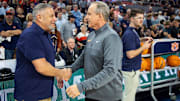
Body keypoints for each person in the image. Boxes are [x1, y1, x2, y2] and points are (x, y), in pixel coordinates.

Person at [66, 1, 123, 101]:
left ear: (99, 16)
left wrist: (81, 87)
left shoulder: (111, 37)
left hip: (108, 98)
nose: (86, 17)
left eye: (89, 14)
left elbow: (110, 71)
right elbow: (84, 57)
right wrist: (69, 71)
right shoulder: (92, 35)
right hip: (91, 95)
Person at [14, 3, 71, 101]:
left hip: (43, 94)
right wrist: (60, 73)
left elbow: (47, 61)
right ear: (39, 17)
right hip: (30, 96)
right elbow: (41, 67)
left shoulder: (46, 35)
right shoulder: (31, 35)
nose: (55, 19)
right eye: (51, 16)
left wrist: (55, 73)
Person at [121, 9, 152, 101]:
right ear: (131, 19)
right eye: (139, 18)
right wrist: (144, 47)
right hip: (131, 70)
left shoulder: (132, 31)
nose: (141, 20)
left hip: (132, 69)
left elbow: (132, 43)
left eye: (142, 18)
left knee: (129, 95)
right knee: (128, 97)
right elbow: (130, 54)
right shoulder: (130, 34)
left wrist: (142, 40)